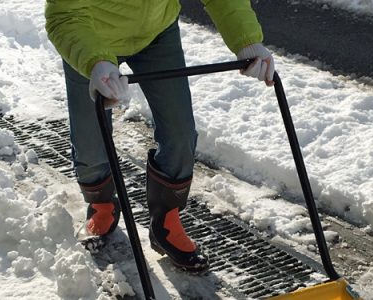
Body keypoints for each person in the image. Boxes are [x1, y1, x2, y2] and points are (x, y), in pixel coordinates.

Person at [45, 0, 275, 273]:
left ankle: (167, 221)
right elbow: (65, 14)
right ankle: (101, 206)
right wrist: (95, 62)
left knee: (180, 133)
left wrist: (246, 39)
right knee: (90, 142)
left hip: (157, 33)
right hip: (88, 34)